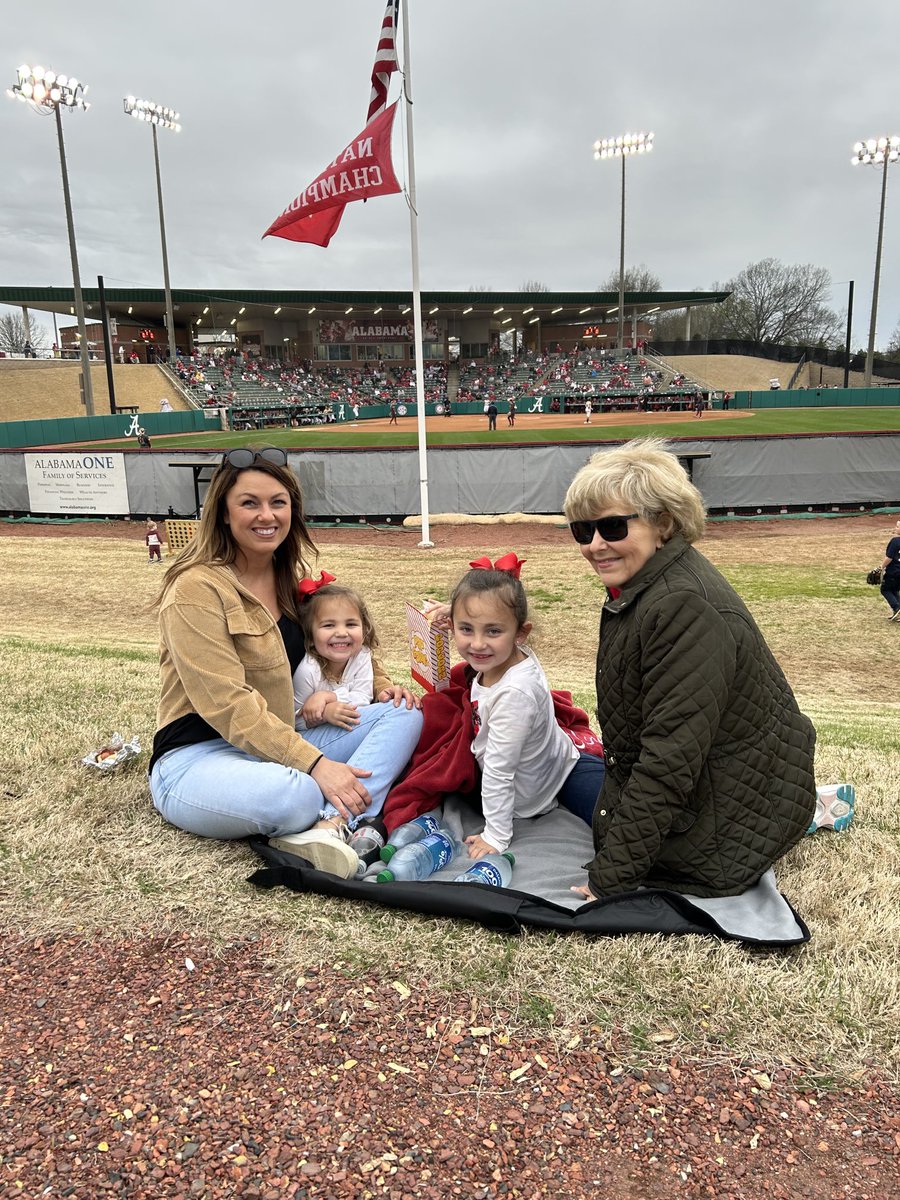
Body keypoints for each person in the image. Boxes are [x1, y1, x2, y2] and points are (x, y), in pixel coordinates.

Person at [148, 447, 423, 878]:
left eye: (278, 502)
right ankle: (331, 809)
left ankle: (333, 824)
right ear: (222, 511)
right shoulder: (195, 589)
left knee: (405, 714)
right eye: (249, 503)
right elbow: (227, 704)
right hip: (197, 755)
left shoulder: (288, 581)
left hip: (282, 741)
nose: (267, 515)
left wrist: (381, 685)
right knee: (293, 795)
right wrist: (316, 765)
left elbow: (336, 642)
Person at [563, 438, 817, 900]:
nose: (595, 545)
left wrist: (610, 880)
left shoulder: (683, 607)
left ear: (663, 524)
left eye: (613, 527)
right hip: (716, 792)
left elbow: (668, 762)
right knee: (559, 770)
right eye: (583, 531)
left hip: (718, 834)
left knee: (561, 776)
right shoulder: (653, 585)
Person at [447, 556, 606, 859]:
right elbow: (483, 621)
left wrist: (495, 834)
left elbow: (499, 770)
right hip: (549, 763)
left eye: (493, 631)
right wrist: (456, 618)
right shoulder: (510, 656)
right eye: (465, 629)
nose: (477, 644)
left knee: (618, 816)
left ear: (521, 633)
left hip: (538, 784)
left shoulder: (515, 693)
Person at [879, 518, 900, 621]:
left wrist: (881, 567)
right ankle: (898, 612)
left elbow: (889, 558)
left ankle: (897, 608)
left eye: (897, 526)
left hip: (894, 571)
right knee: (895, 590)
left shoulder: (895, 541)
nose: (895, 528)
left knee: (885, 589)